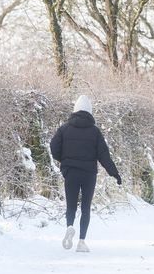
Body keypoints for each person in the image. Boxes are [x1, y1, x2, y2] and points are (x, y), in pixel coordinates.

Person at [50, 95, 122, 252]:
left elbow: (53, 147)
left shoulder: (64, 129)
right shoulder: (95, 132)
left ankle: (70, 226)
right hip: (89, 174)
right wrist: (114, 173)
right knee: (85, 207)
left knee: (71, 205)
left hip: (70, 172)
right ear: (90, 112)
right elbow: (104, 156)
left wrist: (64, 160)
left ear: (75, 110)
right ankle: (81, 241)